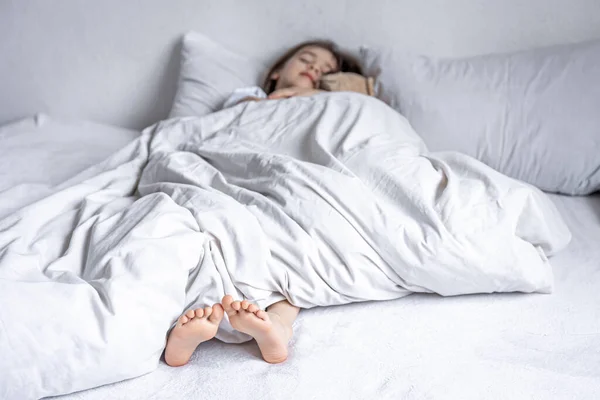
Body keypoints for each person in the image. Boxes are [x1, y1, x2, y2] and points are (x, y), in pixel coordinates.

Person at [164, 40, 363, 367]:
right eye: (307, 60)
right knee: (212, 233)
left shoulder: (329, 104)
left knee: (297, 250)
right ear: (275, 72)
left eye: (326, 71)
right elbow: (226, 131)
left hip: (287, 181)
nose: (314, 69)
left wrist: (315, 96)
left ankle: (279, 326)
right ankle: (186, 329)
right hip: (235, 171)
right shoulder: (247, 97)